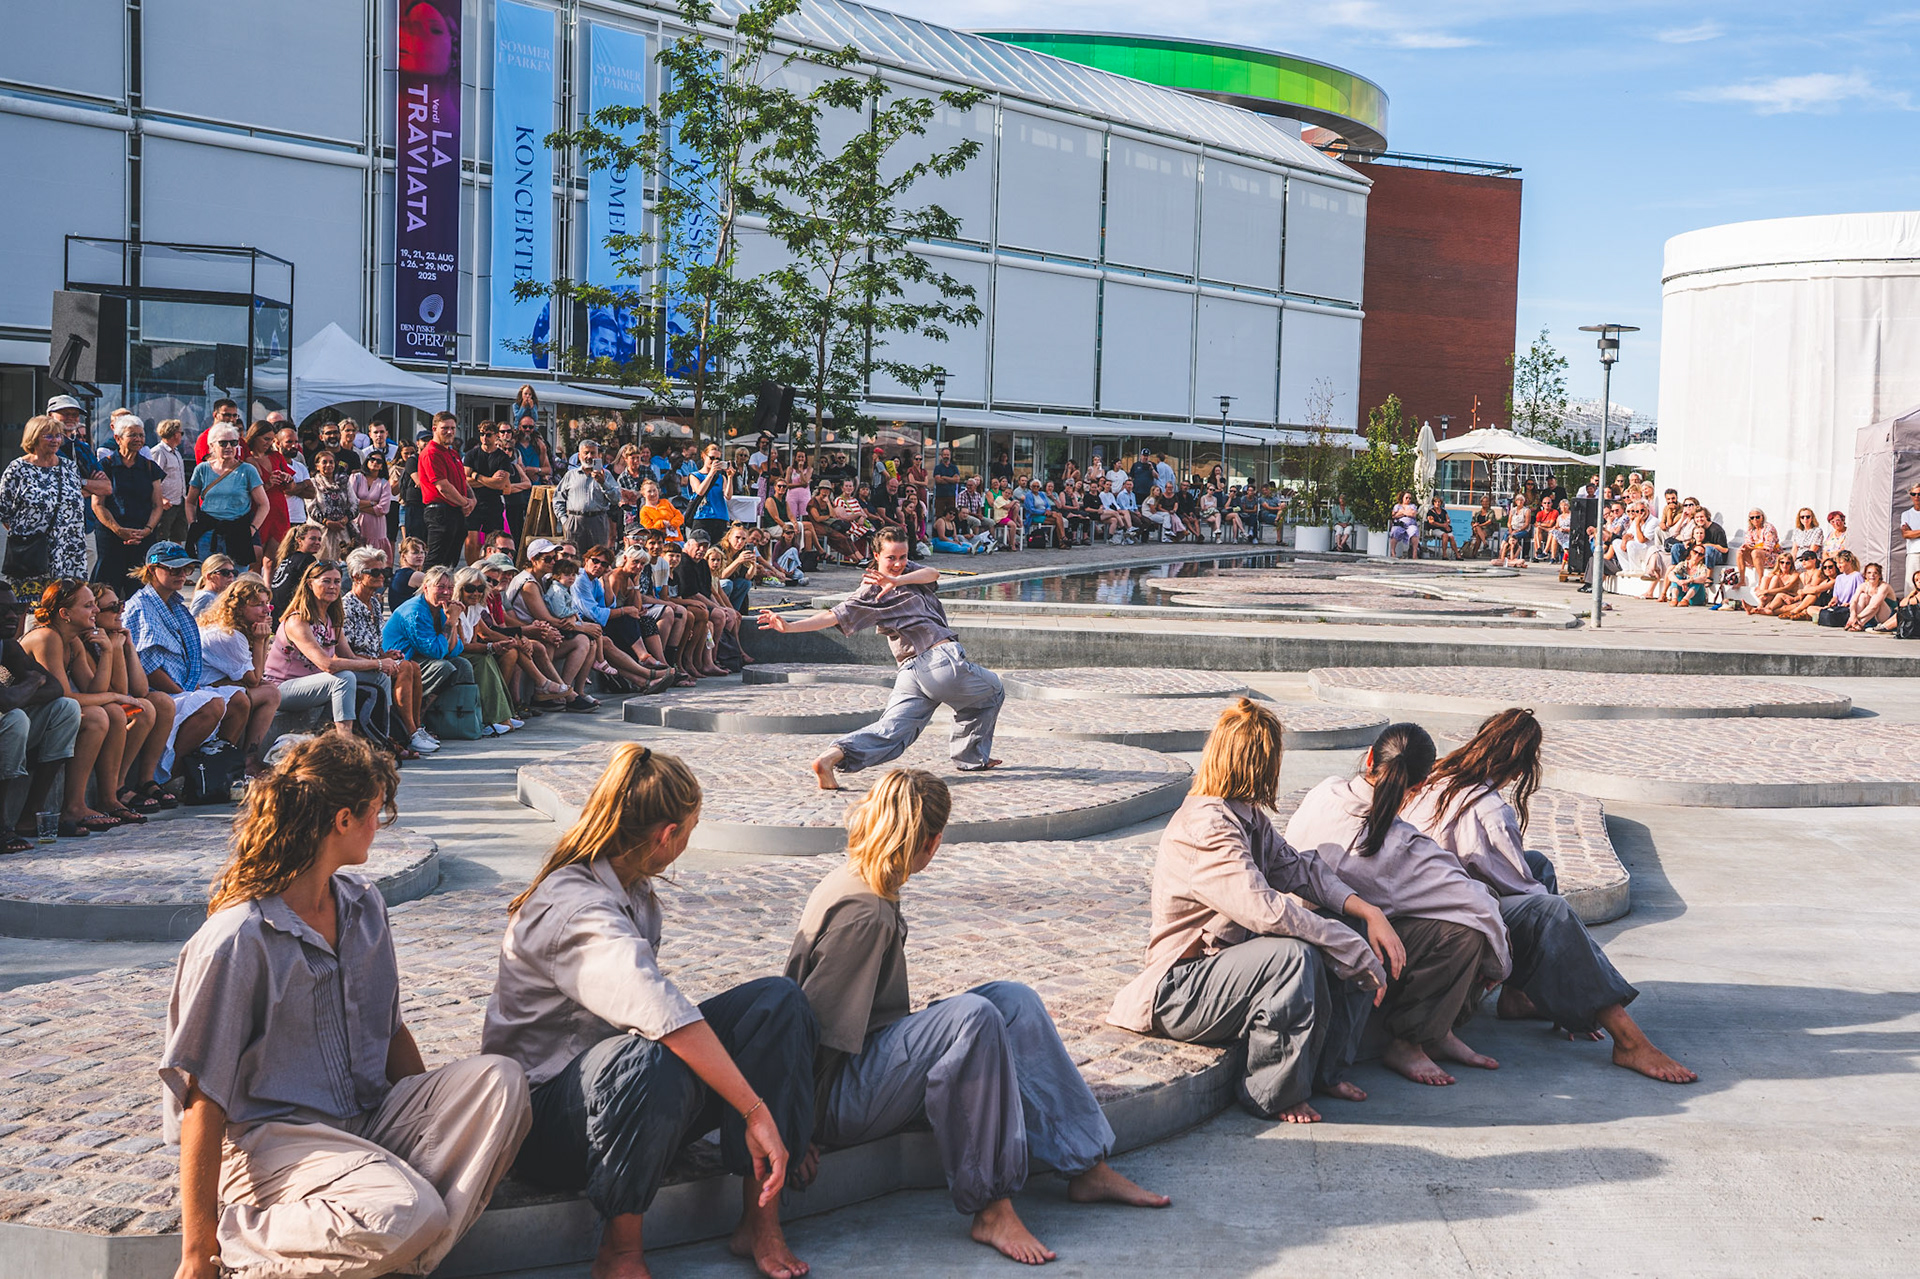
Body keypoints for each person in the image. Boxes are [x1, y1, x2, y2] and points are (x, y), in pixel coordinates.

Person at [161, 733, 530, 1279]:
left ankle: (397, 1240)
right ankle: (241, 1240)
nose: (379, 825)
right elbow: (201, 1097)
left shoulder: (364, 904)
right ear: (342, 820)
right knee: (407, 1212)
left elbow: (392, 1031)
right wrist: (197, 1252)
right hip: (277, 1144)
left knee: (501, 1081)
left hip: (369, 1118)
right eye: (375, 812)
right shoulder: (238, 939)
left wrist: (431, 1122)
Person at [789, 769, 1168, 1265]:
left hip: (857, 1068)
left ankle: (1087, 1166)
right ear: (931, 842)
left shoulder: (866, 881)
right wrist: (795, 1129)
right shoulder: (865, 914)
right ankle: (991, 1208)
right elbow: (812, 1032)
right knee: (975, 1018)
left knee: (1014, 1002)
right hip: (832, 1098)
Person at [483, 744, 817, 1279]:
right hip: (545, 1121)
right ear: (667, 835)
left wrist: (784, 1112)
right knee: (647, 1059)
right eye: (691, 830)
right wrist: (756, 1111)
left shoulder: (633, 888)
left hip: (622, 1097)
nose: (688, 842)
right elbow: (659, 1012)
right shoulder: (575, 908)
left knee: (778, 1003)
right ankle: (620, 1254)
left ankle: (761, 1220)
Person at [1108, 699, 1397, 1120]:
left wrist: (1367, 913)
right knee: (1293, 957)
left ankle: (1326, 1072)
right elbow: (1264, 910)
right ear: (1261, 762)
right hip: (1179, 988)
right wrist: (1349, 947)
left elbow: (1299, 869)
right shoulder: (1206, 827)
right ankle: (1271, 1092)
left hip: (1225, 970)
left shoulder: (1245, 816)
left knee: (1344, 925)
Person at [1404, 709, 1698, 1084]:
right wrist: (1565, 966)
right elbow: (1518, 885)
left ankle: (1518, 997)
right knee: (1549, 911)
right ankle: (1627, 1040)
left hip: (1428, 896)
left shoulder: (1437, 778)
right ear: (1521, 767)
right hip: (1444, 913)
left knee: (1538, 865)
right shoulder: (1489, 808)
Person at [1284, 723, 1509, 1087]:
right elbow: (1477, 903)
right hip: (1342, 943)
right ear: (1420, 786)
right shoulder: (1398, 844)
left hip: (1302, 929)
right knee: (1467, 932)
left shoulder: (1324, 791)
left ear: (1370, 757)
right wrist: (1499, 962)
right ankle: (1412, 1041)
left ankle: (1439, 1032)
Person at [758, 529, 1003, 791]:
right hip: (940, 660)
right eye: (891, 558)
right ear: (875, 555)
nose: (898, 563)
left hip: (911, 672)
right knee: (992, 691)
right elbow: (833, 615)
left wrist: (897, 579)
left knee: (892, 732)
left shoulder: (906, 572)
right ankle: (971, 757)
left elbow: (932, 573)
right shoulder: (870, 590)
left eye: (903, 556)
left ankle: (831, 758)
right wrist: (790, 627)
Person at [124, 543, 251, 780]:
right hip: (158, 690)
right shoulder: (141, 607)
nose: (182, 574)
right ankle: (173, 776)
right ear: (152, 570)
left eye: (186, 569)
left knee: (239, 701)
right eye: (173, 569)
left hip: (183, 686)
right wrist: (186, 692)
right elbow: (148, 668)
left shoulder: (175, 605)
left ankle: (214, 768)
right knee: (212, 705)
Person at [19, 580, 132, 834]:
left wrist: (108, 652)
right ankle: (73, 806)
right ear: (65, 613)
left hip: (46, 716)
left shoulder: (72, 642)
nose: (96, 611)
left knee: (112, 712)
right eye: (88, 605)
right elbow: (65, 696)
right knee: (96, 716)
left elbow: (94, 690)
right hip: (18, 719)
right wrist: (115, 695)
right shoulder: (46, 637)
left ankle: (102, 799)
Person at [266, 560, 399, 743]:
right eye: (326, 581)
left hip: (316, 683)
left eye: (337, 582)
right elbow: (327, 664)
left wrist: (381, 665)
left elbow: (349, 657)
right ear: (310, 584)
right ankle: (345, 742)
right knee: (344, 678)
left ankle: (383, 738)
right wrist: (378, 662)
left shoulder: (332, 618)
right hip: (282, 688)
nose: (333, 586)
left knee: (380, 677)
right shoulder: (298, 620)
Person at [90, 582, 177, 814]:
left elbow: (140, 688)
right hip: (97, 704)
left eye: (121, 605)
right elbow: (117, 690)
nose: (121, 611)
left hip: (115, 699)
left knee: (162, 702)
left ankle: (146, 779)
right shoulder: (92, 641)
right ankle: (117, 786)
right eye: (113, 608)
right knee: (142, 709)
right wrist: (115, 650)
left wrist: (128, 647)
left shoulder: (116, 637)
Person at [342, 546, 434, 758]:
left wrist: (386, 655)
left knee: (412, 666)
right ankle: (409, 733)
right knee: (405, 668)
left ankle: (416, 728)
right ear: (356, 576)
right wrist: (379, 662)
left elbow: (375, 645)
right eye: (374, 572)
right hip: (356, 665)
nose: (381, 576)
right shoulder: (347, 607)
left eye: (383, 571)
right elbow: (346, 653)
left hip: (373, 661)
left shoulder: (374, 603)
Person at [195, 577, 289, 771]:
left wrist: (262, 638)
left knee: (268, 687)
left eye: (267, 604)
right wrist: (261, 641)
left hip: (214, 687)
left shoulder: (227, 626)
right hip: (205, 694)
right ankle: (249, 757)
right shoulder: (229, 635)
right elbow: (254, 679)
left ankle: (247, 757)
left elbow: (257, 675)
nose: (266, 610)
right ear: (239, 607)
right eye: (258, 604)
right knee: (271, 693)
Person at [381, 566, 480, 726]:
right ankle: (418, 719)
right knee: (443, 667)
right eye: (440, 587)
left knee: (463, 665)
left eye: (450, 588)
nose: (446, 592)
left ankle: (456, 721)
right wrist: (451, 621)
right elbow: (435, 652)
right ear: (426, 587)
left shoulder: (442, 608)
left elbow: (455, 650)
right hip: (400, 661)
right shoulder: (415, 611)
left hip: (422, 657)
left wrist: (453, 620)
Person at [0, 414, 90, 585]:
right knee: (28, 599)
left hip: (69, 553)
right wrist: (29, 537)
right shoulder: (18, 469)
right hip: (31, 554)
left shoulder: (69, 466)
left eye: (58, 436)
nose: (55, 440)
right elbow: (4, 512)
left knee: (68, 599)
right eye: (48, 436)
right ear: (34, 438)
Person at [93, 414, 166, 594]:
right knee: (107, 590)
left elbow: (157, 505)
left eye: (141, 435)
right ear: (118, 438)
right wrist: (118, 529)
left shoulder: (150, 467)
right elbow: (98, 505)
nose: (138, 439)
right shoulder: (105, 466)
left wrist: (147, 530)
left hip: (142, 537)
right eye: (132, 435)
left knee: (140, 590)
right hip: (111, 538)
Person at [185, 423, 267, 569]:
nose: (229, 447)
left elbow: (264, 504)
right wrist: (193, 524)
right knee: (209, 577)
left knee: (237, 580)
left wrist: (252, 529)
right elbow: (190, 501)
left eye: (233, 443)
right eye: (223, 443)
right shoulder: (202, 469)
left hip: (238, 532)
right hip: (208, 533)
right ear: (212, 445)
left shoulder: (248, 470)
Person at [418, 412, 474, 568]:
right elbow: (443, 487)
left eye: (453, 428)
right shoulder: (431, 453)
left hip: (456, 510)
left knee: (450, 562)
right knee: (435, 563)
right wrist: (465, 503)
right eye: (445, 428)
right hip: (439, 512)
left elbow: (463, 481)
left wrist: (472, 499)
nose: (449, 432)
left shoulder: (452, 453)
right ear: (434, 429)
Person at [555, 438, 619, 553]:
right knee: (574, 557)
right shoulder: (570, 475)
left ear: (598, 456)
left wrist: (603, 483)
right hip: (575, 521)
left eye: (593, 453)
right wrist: (565, 521)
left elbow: (616, 499)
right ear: (580, 456)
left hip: (598, 522)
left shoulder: (606, 475)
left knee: (598, 556)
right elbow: (558, 499)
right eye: (586, 453)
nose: (589, 456)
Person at [270, 522, 327, 619]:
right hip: (288, 611)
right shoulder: (307, 559)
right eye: (312, 538)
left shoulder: (289, 557)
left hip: (276, 611)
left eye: (319, 539)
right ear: (299, 540)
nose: (317, 542)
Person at [150, 418, 191, 546]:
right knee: (161, 537)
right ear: (174, 434)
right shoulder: (158, 452)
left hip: (179, 501)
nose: (181, 436)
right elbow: (152, 477)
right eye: (180, 433)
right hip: (166, 504)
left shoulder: (176, 452)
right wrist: (161, 498)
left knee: (178, 536)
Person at [685, 442, 735, 544]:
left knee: (718, 548)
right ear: (704, 456)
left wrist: (730, 478)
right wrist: (711, 473)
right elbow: (700, 491)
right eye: (711, 458)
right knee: (700, 546)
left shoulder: (721, 477)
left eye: (717, 459)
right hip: (702, 516)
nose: (714, 461)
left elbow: (728, 496)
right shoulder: (695, 475)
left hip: (720, 516)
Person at [350, 449, 395, 558]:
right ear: (367, 461)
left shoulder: (384, 483)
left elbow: (383, 508)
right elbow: (350, 501)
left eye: (379, 461)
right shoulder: (356, 478)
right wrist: (372, 503)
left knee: (374, 556)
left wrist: (359, 506)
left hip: (376, 526)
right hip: (357, 523)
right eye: (372, 459)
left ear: (382, 466)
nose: (375, 462)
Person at [1847, 562, 1895, 631]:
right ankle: (1855, 623)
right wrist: (1852, 615)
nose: (1872, 575)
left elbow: (1874, 606)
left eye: (1875, 573)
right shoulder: (1863, 586)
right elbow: (1853, 601)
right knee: (1863, 596)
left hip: (1887, 617)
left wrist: (1857, 616)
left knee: (1876, 599)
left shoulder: (1884, 586)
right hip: (1869, 615)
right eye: (1869, 573)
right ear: (1865, 575)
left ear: (1879, 575)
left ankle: (1859, 624)